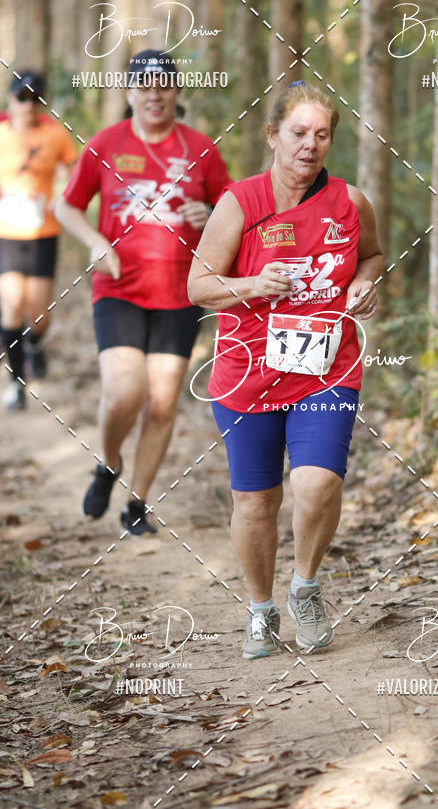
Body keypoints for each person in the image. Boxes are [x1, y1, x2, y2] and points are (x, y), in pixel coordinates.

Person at [188, 82, 383, 658]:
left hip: (327, 366)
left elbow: (371, 255)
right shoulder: (240, 202)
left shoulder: (351, 202)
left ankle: (305, 587)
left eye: (321, 135)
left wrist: (366, 281)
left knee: (317, 481)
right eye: (298, 133)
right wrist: (251, 285)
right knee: (256, 501)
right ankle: (260, 607)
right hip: (248, 369)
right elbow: (198, 286)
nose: (310, 145)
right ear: (273, 136)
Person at [55, 49, 231, 536]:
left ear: (176, 94)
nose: (155, 95)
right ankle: (108, 464)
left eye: (164, 86)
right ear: (130, 93)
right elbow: (66, 206)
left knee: (161, 404)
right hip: (119, 287)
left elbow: (234, 205)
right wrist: (93, 240)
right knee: (123, 393)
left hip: (180, 292)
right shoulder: (106, 144)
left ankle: (136, 503)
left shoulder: (200, 147)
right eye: (144, 85)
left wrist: (210, 211)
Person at [0, 71, 77, 409]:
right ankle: (17, 383)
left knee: (39, 315)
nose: (27, 106)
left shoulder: (55, 136)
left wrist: (63, 187)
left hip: (43, 233)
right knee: (12, 306)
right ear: (10, 99)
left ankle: (35, 344)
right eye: (22, 97)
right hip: (7, 233)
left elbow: (76, 171)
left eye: (35, 99)